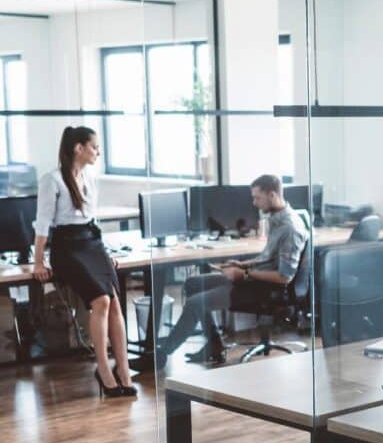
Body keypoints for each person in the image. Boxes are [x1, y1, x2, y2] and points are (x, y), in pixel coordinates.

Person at [158, 174, 308, 366]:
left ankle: (161, 356)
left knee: (196, 303)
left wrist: (244, 274)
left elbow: (284, 277)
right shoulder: (277, 220)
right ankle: (214, 346)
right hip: (254, 279)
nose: (254, 203)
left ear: (272, 195)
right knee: (192, 284)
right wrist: (242, 264)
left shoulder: (289, 228)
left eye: (257, 198)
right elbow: (267, 259)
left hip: (266, 289)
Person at [32, 126, 136, 398]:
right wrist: (38, 262)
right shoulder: (51, 180)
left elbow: (92, 219)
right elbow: (42, 224)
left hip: (92, 243)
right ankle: (103, 369)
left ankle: (123, 370)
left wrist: (106, 251)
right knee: (100, 301)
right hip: (67, 248)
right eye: (94, 147)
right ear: (78, 148)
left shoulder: (90, 177)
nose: (98, 152)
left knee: (114, 301)